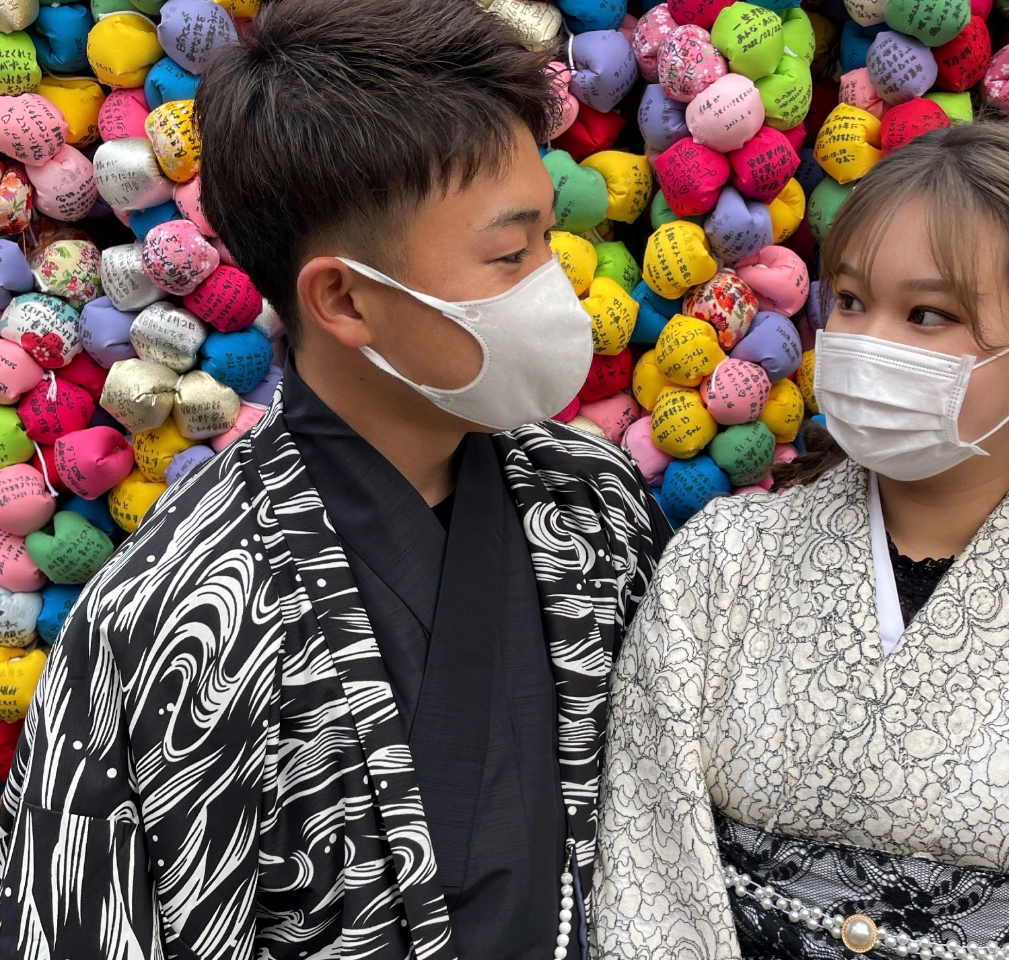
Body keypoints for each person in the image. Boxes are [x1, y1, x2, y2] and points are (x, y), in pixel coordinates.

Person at [0, 1, 669, 957]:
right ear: (344, 297)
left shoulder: (592, 498)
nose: (552, 282)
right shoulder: (166, 616)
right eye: (510, 253)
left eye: (547, 242)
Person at [592, 121, 1009, 959]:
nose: (868, 344)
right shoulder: (725, 557)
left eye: (928, 314)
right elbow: (649, 864)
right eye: (852, 302)